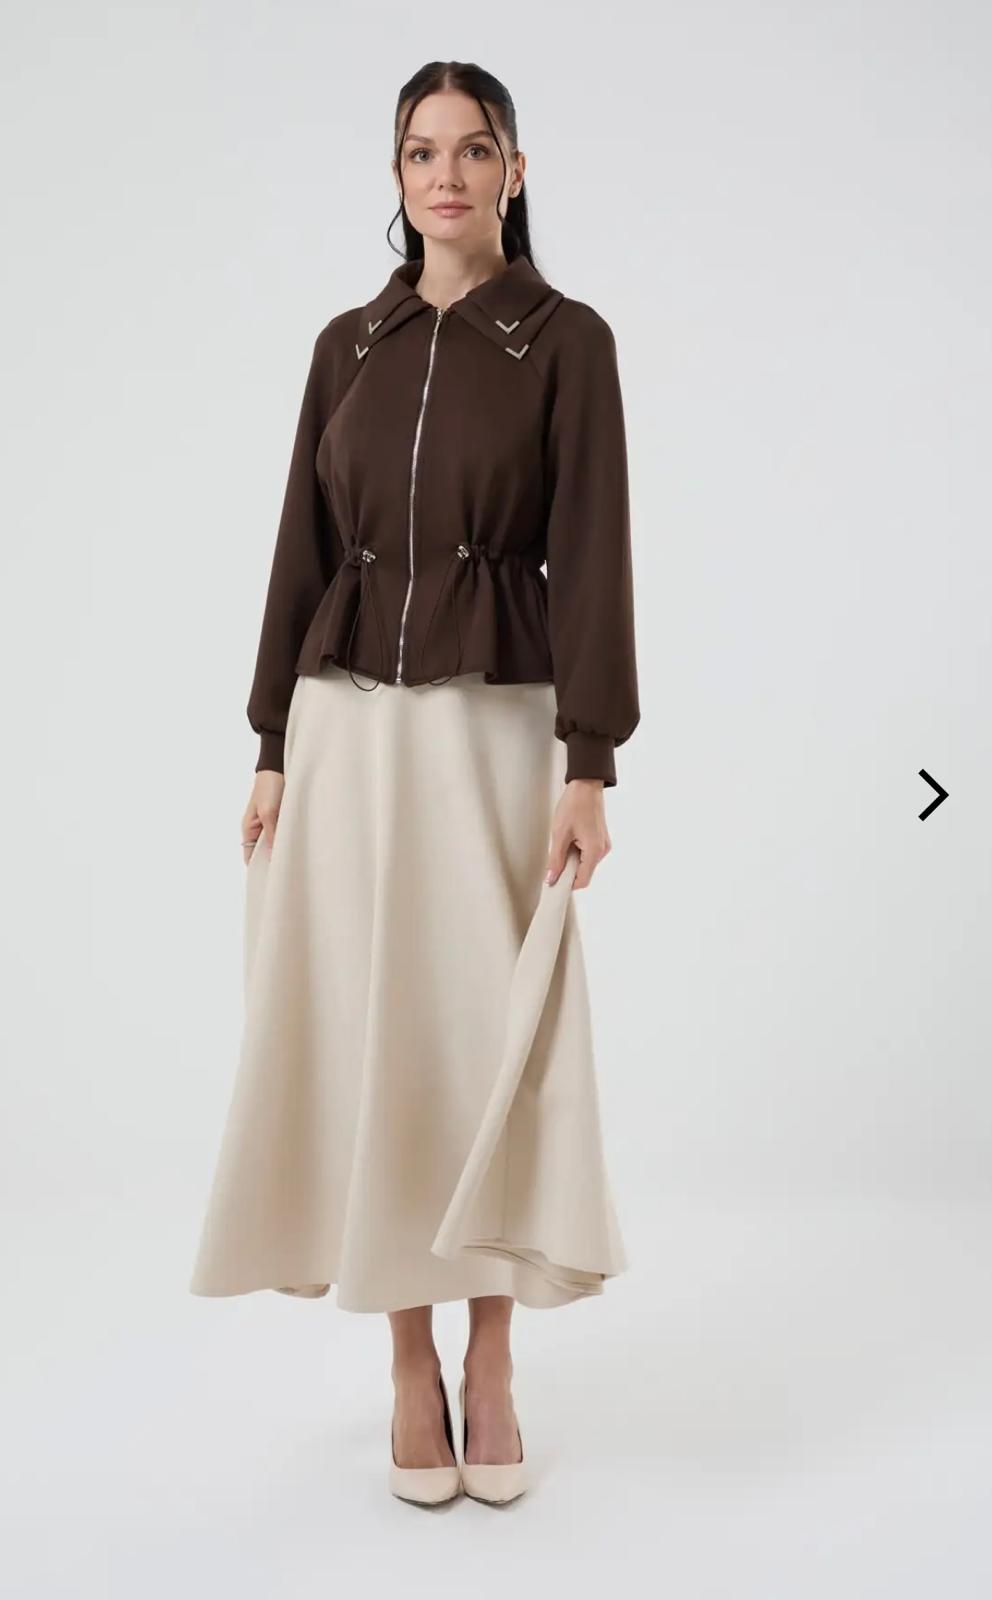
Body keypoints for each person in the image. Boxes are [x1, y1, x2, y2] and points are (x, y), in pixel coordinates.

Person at [189, 60, 641, 1508]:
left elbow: (595, 552)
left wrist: (590, 762)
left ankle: (492, 1359)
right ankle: (406, 1365)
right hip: (345, 734)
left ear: (515, 169)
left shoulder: (565, 342)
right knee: (371, 1038)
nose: (446, 174)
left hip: (493, 730)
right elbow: (300, 550)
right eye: (420, 151)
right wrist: (272, 742)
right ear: (396, 176)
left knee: (481, 1038)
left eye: (473, 148)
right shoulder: (349, 346)